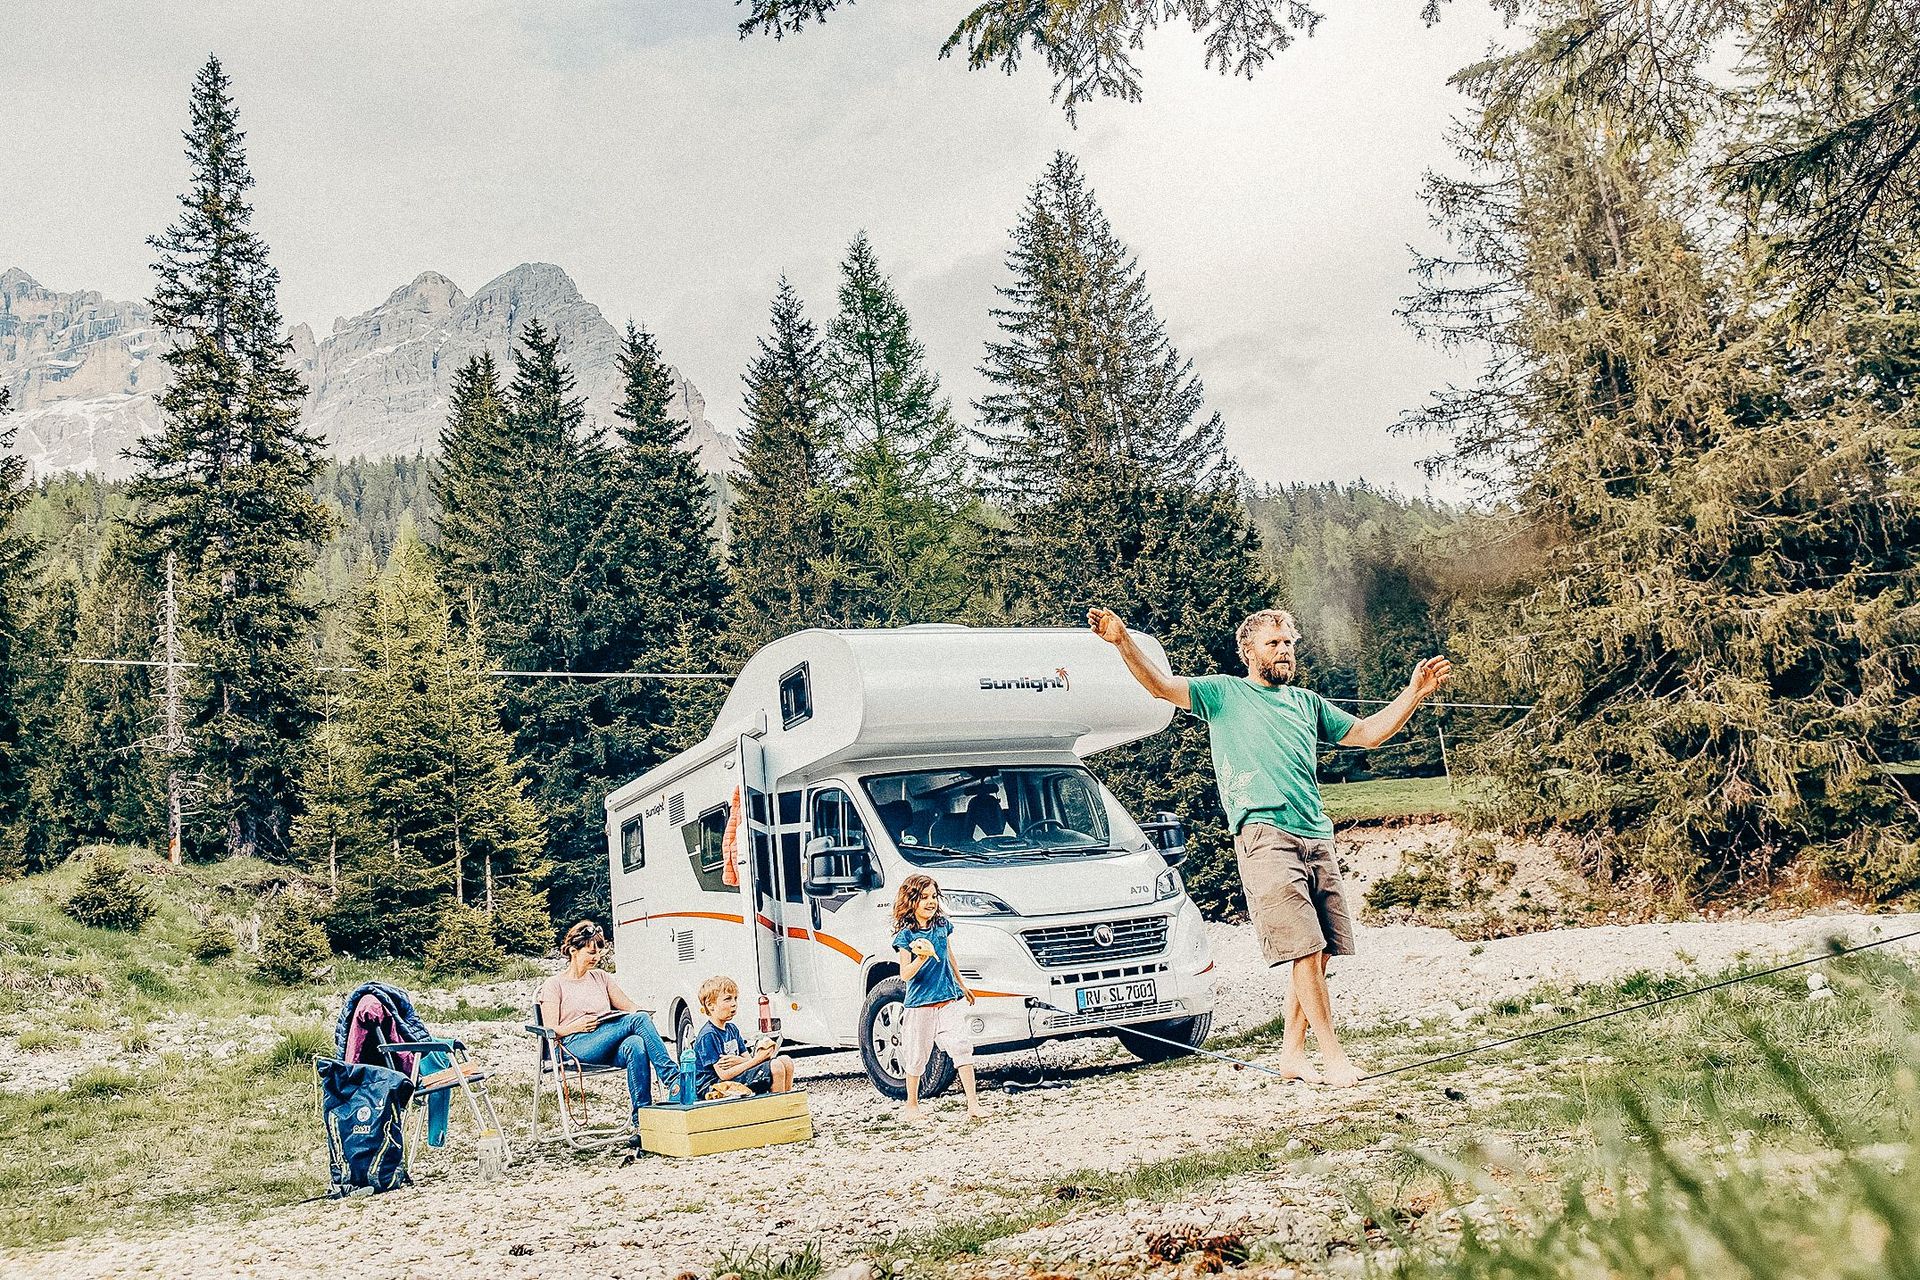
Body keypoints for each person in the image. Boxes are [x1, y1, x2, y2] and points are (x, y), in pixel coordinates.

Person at [1089, 605, 1450, 1087]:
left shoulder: (1306, 702)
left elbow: (1367, 735)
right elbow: (1160, 686)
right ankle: (1332, 1057)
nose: (1284, 651)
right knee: (1303, 950)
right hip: (1264, 834)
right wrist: (1122, 642)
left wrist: (1413, 693)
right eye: (1273, 644)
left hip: (1316, 832)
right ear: (1248, 650)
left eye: (1289, 644)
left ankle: (1292, 1055)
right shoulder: (1223, 694)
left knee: (1318, 954)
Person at [537, 920, 680, 1124]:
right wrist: (575, 1026)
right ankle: (673, 1078)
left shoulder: (601, 978)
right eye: (590, 953)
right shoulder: (554, 984)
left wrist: (644, 1013)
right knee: (638, 1020)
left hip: (606, 1041)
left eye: (598, 953)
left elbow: (630, 1007)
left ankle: (642, 1119)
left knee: (636, 1044)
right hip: (574, 1045)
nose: (596, 958)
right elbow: (550, 1030)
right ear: (572, 951)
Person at [891, 873, 987, 1122]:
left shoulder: (942, 926)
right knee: (916, 1054)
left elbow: (949, 955)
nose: (930, 902)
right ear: (911, 901)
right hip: (920, 1004)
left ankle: (973, 1104)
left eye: (933, 896)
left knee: (961, 1047)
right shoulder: (906, 936)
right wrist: (921, 958)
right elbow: (905, 974)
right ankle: (911, 1105)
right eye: (924, 897)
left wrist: (961, 984)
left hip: (947, 999)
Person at [692, 974, 796, 1098]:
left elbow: (747, 1058)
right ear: (710, 1005)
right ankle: (776, 1111)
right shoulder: (708, 1035)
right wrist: (757, 1059)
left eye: (735, 998)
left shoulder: (732, 1029)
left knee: (786, 1061)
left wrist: (742, 1061)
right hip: (715, 1085)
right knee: (776, 1067)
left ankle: (787, 1107)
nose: (734, 1004)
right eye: (728, 999)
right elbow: (724, 1074)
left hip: (734, 1076)